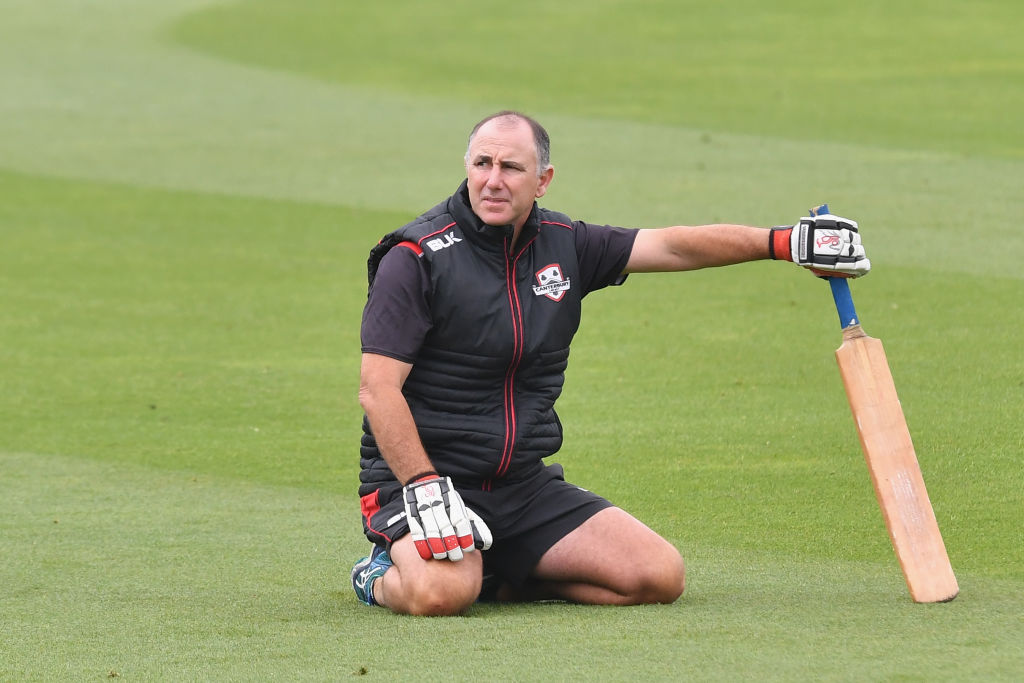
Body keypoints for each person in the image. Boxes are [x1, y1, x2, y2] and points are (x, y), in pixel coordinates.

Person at [352, 110, 869, 616]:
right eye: (482, 163)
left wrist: (784, 243)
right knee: (442, 594)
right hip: (419, 481)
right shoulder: (416, 257)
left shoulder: (565, 243)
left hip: (520, 486)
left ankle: (496, 576)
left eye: (511, 168)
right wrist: (422, 484)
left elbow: (671, 247)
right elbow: (379, 390)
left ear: (543, 180)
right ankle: (377, 573)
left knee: (657, 575)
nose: (492, 181)